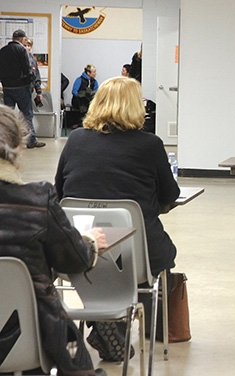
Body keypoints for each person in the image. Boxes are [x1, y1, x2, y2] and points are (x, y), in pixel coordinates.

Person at [55, 76, 180, 359]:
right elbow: (170, 195)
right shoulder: (150, 145)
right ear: (137, 107)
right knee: (160, 253)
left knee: (108, 254)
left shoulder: (75, 139)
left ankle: (104, 318)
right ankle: (125, 324)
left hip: (80, 249)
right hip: (137, 255)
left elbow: (60, 193)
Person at [0, 104, 108, 376]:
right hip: (28, 340)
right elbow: (75, 258)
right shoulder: (38, 201)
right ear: (18, 149)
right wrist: (89, 242)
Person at [0, 29, 45, 148]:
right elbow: (27, 69)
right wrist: (29, 83)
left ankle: (7, 141)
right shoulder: (22, 50)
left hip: (7, 87)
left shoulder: (3, 51)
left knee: (8, 115)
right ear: (22, 39)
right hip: (21, 87)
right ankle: (31, 141)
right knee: (27, 114)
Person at [22, 37, 42, 108]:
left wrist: (38, 91)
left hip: (29, 88)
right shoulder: (18, 58)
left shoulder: (33, 59)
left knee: (27, 112)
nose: (27, 48)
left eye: (29, 46)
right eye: (25, 46)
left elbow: (36, 75)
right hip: (19, 87)